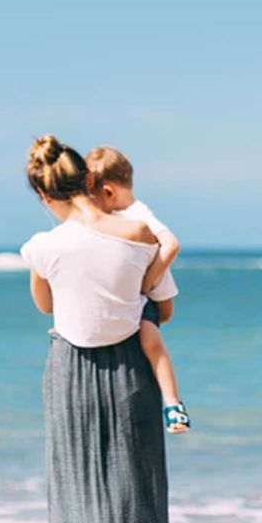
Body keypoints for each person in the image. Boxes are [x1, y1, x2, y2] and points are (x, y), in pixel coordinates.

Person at [20, 134, 173, 523]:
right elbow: (166, 308)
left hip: (70, 372)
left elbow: (45, 305)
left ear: (43, 194)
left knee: (76, 487)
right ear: (88, 176)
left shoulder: (42, 247)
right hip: (131, 368)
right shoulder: (140, 233)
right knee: (137, 488)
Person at [86, 145, 190, 433]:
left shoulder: (137, 213)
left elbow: (171, 244)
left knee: (150, 341)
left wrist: (149, 279)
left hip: (145, 295)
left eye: (91, 198)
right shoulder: (117, 214)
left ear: (108, 192)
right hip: (129, 292)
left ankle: (173, 405)